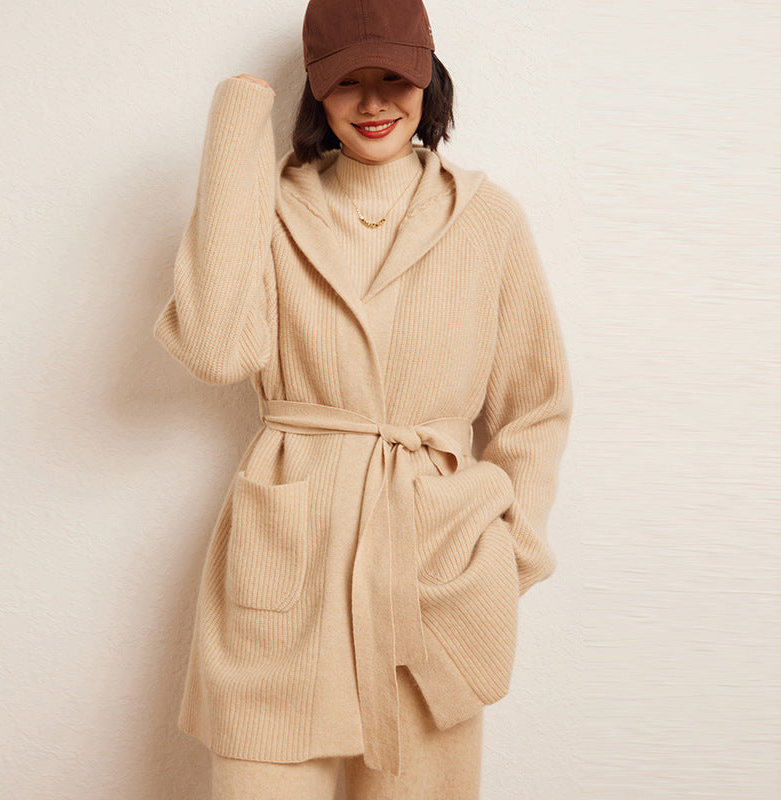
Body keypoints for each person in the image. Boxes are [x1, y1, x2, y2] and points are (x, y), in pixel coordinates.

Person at [152, 0, 573, 796]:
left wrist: (505, 553)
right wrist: (237, 123)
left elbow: (535, 406)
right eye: (349, 81)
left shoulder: (487, 218)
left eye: (395, 79)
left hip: (432, 570)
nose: (374, 102)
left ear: (429, 82)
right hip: (289, 562)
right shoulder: (276, 207)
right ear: (317, 87)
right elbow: (214, 350)